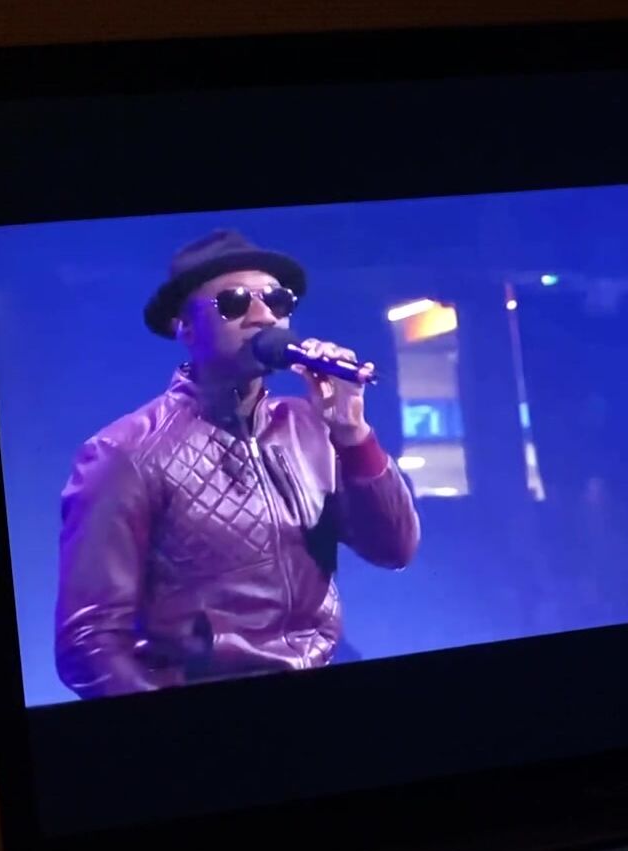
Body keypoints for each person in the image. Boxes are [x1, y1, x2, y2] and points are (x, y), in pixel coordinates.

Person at [54, 229, 420, 698]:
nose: (264, 315)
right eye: (233, 303)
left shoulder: (311, 426)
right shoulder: (124, 453)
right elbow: (88, 642)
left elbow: (394, 550)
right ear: (184, 327)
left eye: (277, 300)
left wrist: (352, 434)